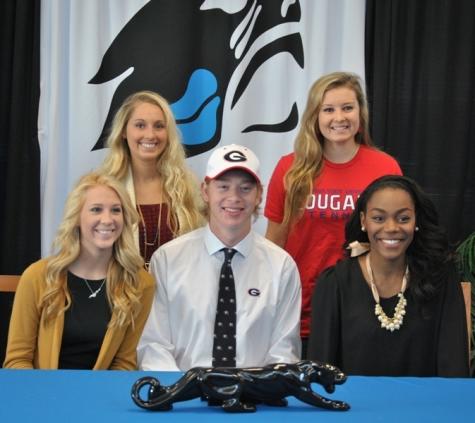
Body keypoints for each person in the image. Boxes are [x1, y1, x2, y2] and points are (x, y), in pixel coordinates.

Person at [264, 71, 402, 355]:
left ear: (360, 113)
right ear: (315, 116)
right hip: (299, 309)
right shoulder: (290, 169)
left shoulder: (384, 168)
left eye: (347, 108)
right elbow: (272, 245)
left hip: (364, 308)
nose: (339, 117)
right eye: (328, 109)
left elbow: (398, 242)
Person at [138, 144, 302, 371]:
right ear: (205, 191)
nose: (234, 197)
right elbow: (154, 346)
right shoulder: (167, 260)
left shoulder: (281, 266)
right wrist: (182, 392)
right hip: (183, 398)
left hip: (256, 401)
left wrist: (258, 392)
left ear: (259, 195)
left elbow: (284, 352)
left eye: (245, 188)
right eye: (223, 187)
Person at [307, 175, 469, 376]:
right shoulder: (334, 284)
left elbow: (453, 369)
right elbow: (320, 374)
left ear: (416, 221)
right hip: (354, 405)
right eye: (379, 218)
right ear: (363, 221)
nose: (392, 228)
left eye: (403, 218)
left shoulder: (440, 278)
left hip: (424, 406)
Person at [3, 172, 155, 369]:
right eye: (96, 209)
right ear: (76, 218)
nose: (107, 220)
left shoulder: (141, 284)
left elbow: (124, 363)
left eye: (116, 210)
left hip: (99, 395)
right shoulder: (37, 276)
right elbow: (17, 359)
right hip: (42, 394)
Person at [99, 90, 203, 269]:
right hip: (124, 292)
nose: (150, 135)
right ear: (124, 131)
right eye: (140, 125)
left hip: (177, 294)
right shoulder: (104, 187)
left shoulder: (187, 185)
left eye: (159, 126)